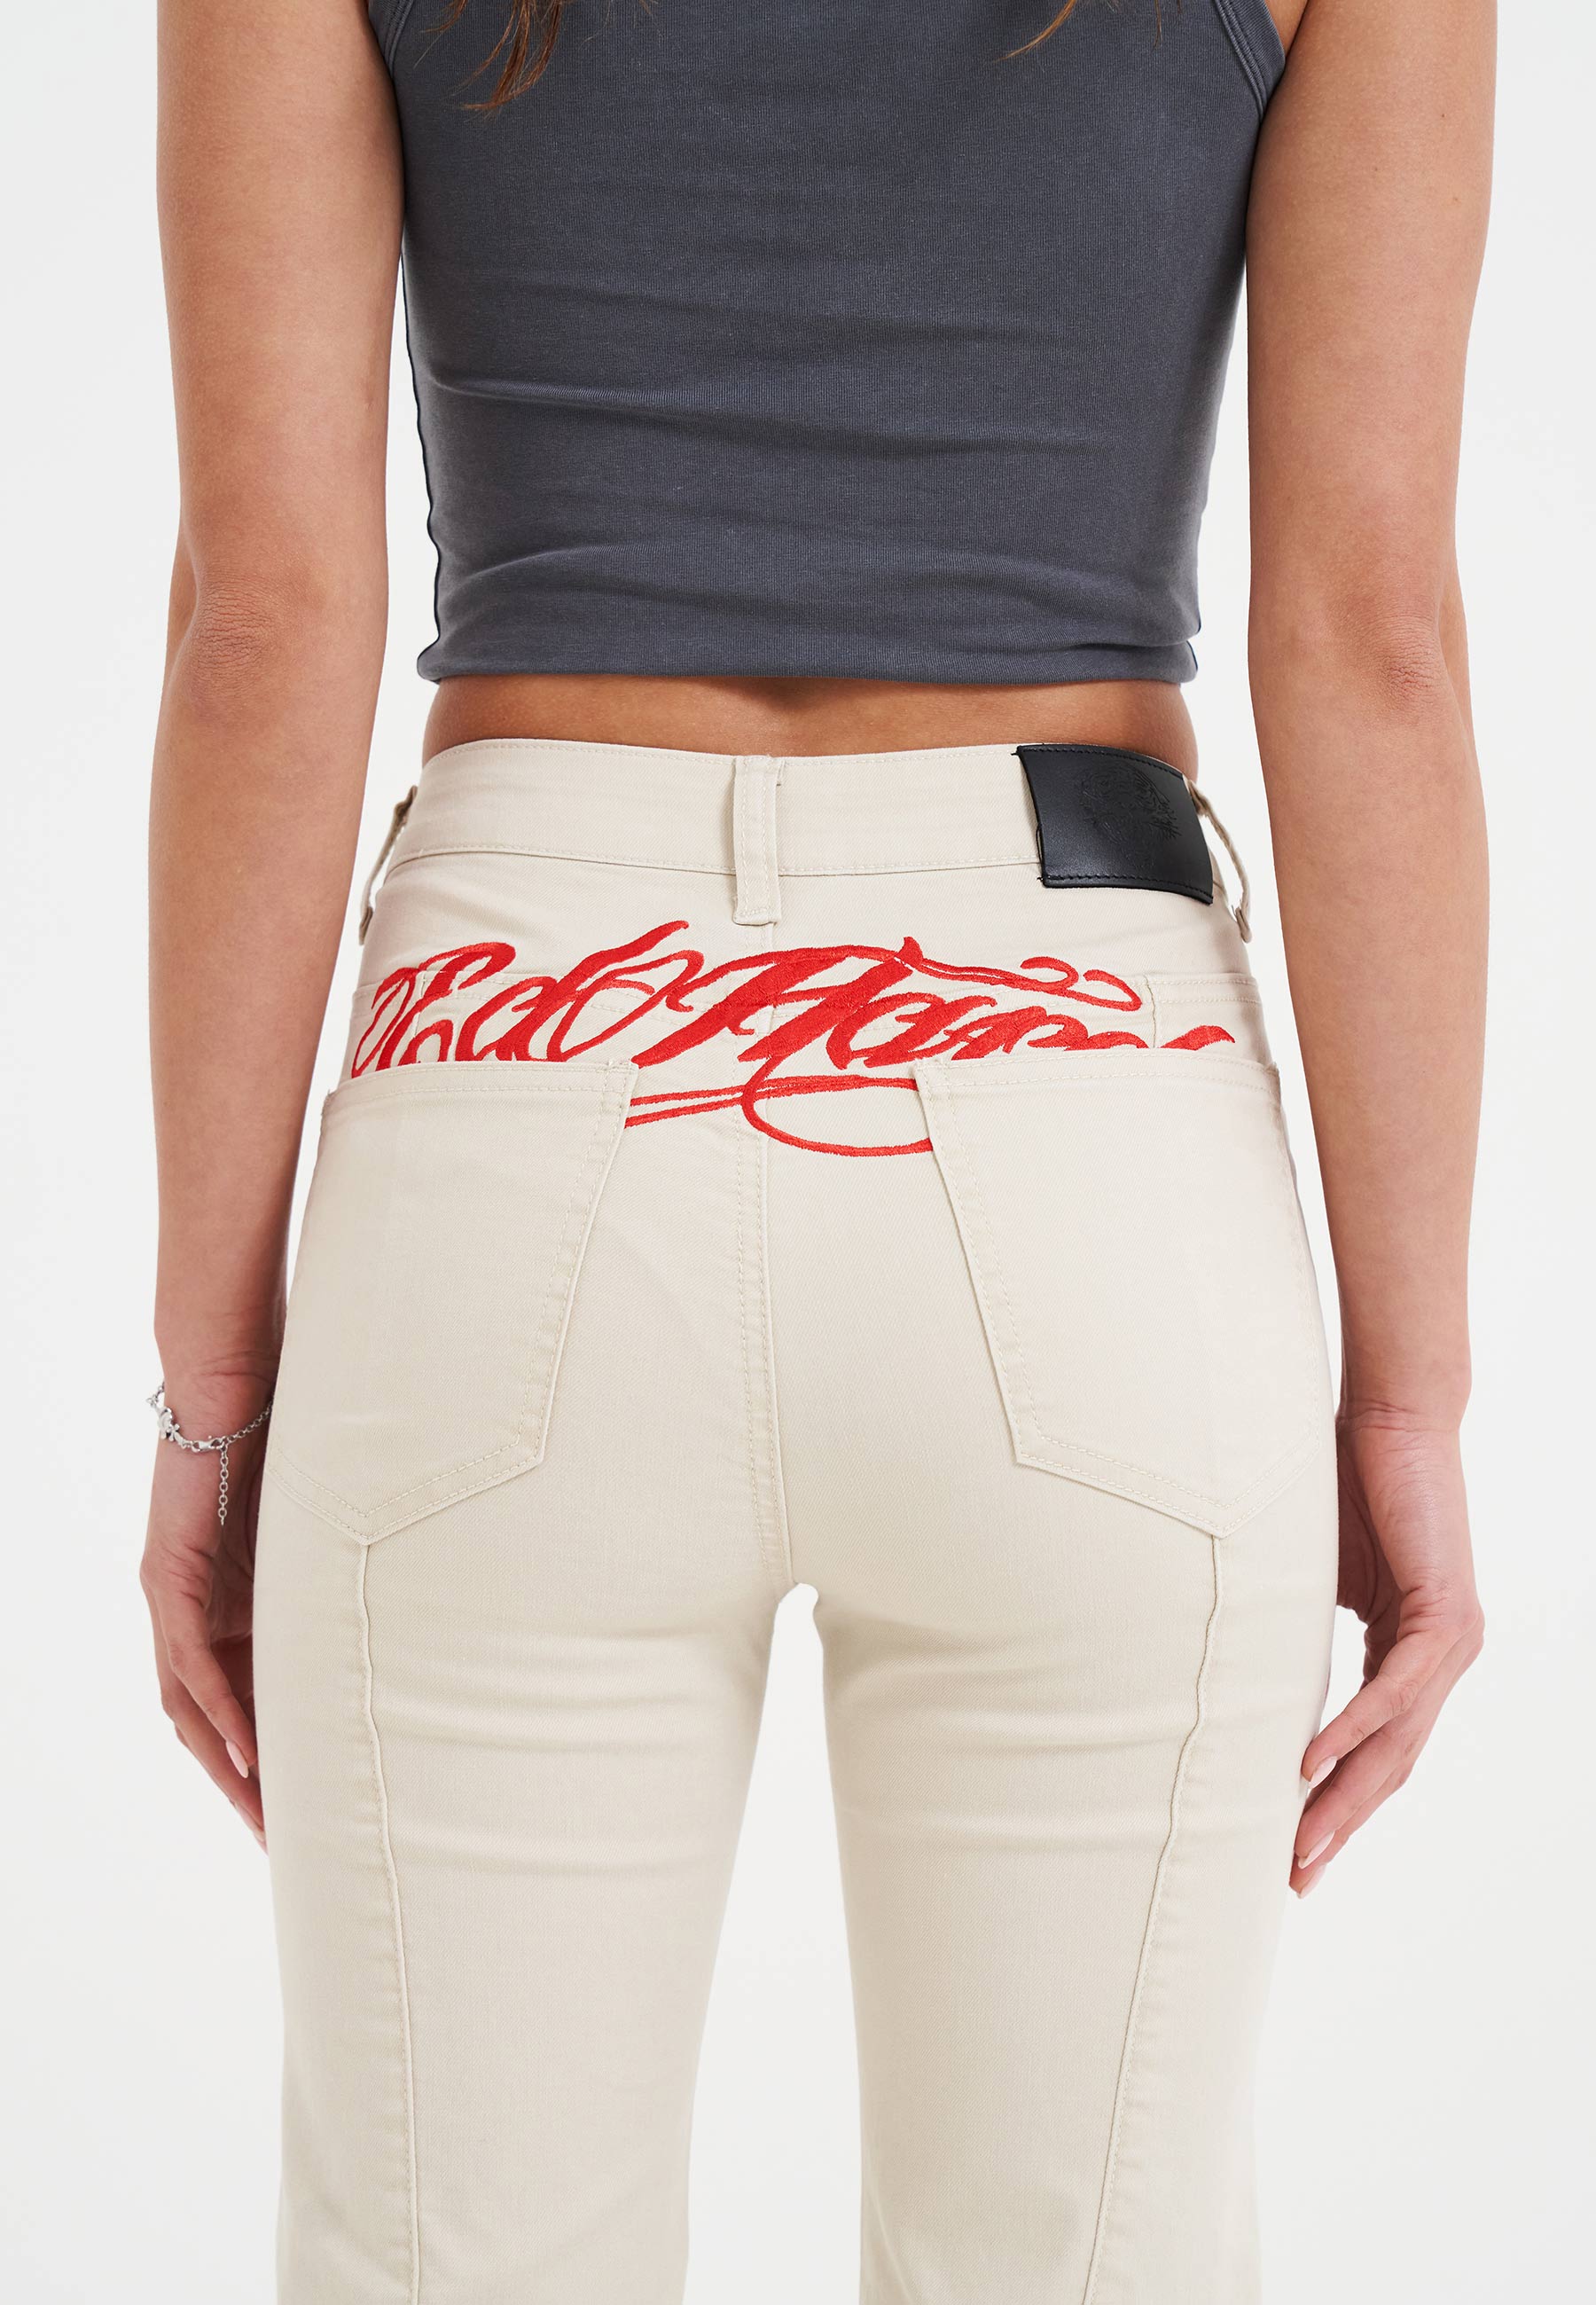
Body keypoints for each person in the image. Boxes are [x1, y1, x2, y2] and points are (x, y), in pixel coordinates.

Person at [141, 0, 1492, 2294]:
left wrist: (215, 1385)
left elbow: (262, 628)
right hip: (1085, 1089)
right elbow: (1373, 643)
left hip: (523, 1053)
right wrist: (1408, 1400)